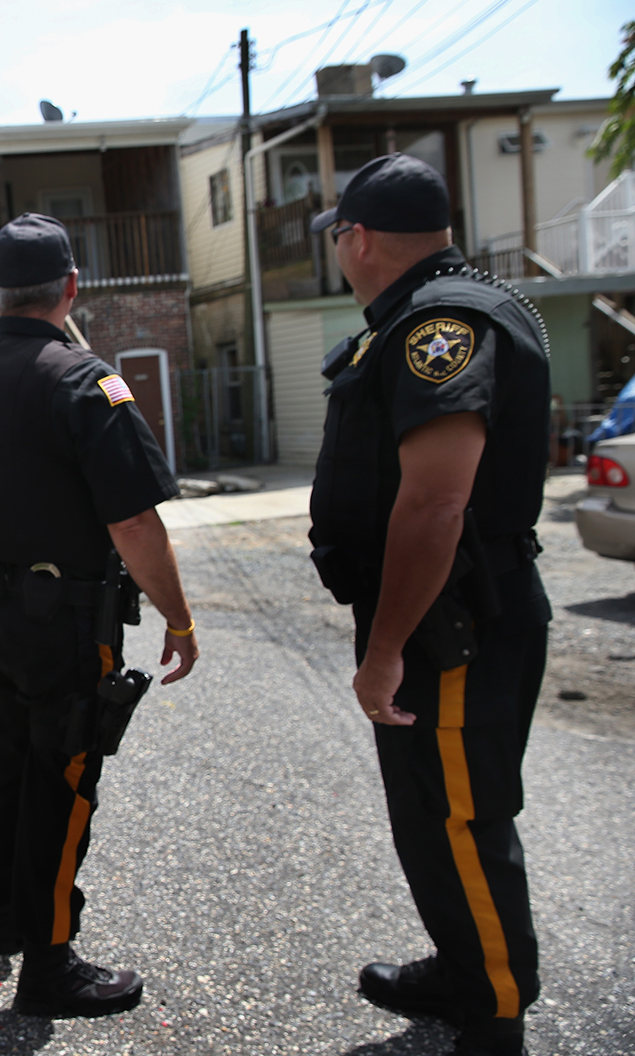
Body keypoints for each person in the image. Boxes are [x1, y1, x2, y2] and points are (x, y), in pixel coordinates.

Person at [307, 153, 552, 1056]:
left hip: (453, 624)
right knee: (430, 814)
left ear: (358, 238)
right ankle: (461, 965)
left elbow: (437, 500)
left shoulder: (442, 323)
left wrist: (385, 649)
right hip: (434, 618)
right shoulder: (422, 313)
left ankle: (493, 1015)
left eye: (339, 237)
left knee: (460, 816)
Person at [0, 213, 199, 1018]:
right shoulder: (86, 381)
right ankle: (50, 961)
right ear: (72, 287)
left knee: (9, 764)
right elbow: (134, 524)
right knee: (63, 777)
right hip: (63, 621)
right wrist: (179, 620)